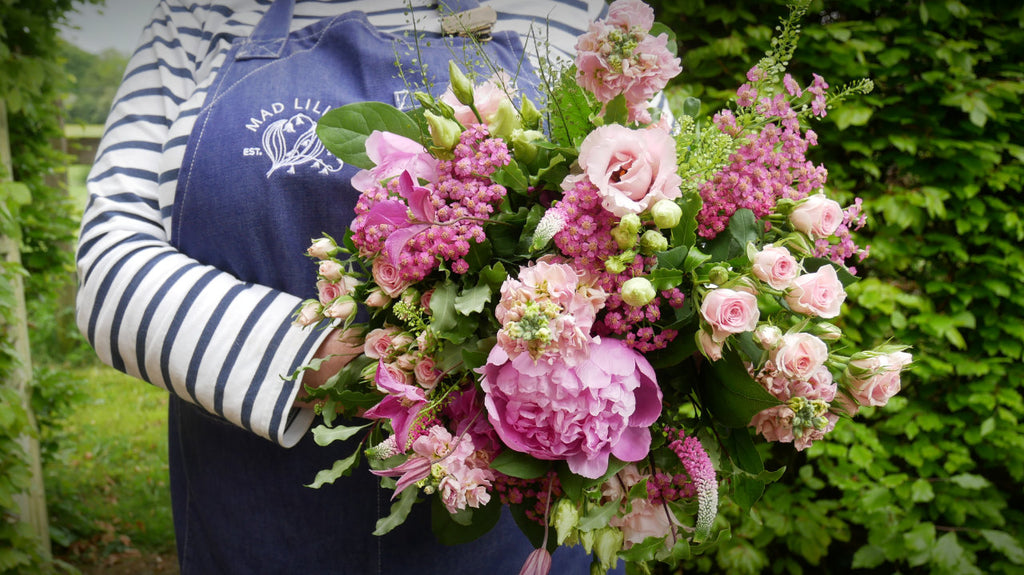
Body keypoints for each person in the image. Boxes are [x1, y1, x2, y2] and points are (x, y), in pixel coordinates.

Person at [75, 0, 623, 573]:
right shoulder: (199, 14)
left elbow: (657, 221)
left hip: (512, 524)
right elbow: (109, 268)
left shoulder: (581, 18)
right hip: (259, 514)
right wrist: (385, 372)